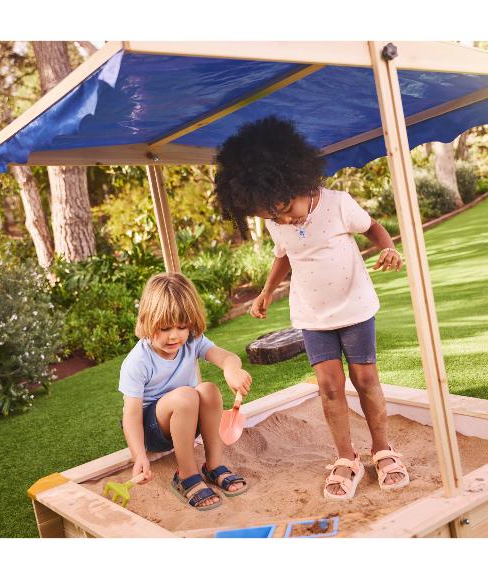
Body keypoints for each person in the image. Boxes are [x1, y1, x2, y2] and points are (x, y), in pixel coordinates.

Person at [214, 115, 409, 500]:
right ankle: (347, 457)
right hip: (313, 315)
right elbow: (285, 254)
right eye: (273, 216)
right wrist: (267, 291)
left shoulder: (338, 204)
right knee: (329, 387)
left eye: (285, 207)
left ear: (297, 179)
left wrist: (388, 248)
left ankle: (383, 449)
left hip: (354, 307)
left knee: (365, 379)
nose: (285, 219)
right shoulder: (277, 221)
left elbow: (372, 227)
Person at [119, 272, 251, 511]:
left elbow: (226, 357)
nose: (174, 336)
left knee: (209, 390)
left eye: (182, 327)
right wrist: (139, 455)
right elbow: (131, 415)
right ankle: (186, 475)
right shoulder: (138, 361)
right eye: (164, 328)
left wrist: (231, 370)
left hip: (187, 419)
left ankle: (213, 466)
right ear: (148, 321)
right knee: (186, 395)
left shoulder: (192, 340)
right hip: (153, 430)